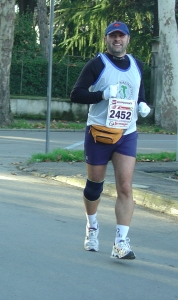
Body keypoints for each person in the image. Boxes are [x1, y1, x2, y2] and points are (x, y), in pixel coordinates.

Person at [70, 21, 151, 259]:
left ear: (128, 39)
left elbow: (139, 91)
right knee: (95, 186)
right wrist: (102, 95)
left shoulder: (137, 64)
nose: (117, 40)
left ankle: (120, 243)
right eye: (112, 36)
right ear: (106, 39)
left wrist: (143, 104)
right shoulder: (97, 64)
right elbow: (76, 94)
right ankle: (92, 226)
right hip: (99, 133)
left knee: (125, 187)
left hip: (126, 133)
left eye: (121, 36)